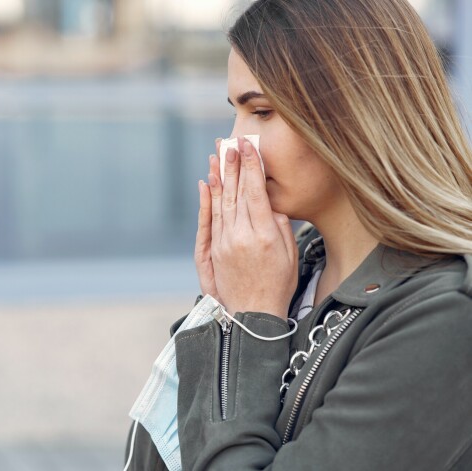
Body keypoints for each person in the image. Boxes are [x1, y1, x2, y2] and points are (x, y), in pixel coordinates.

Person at [123, 0, 472, 469]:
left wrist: (249, 322)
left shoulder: (446, 316)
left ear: (355, 114)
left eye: (262, 112)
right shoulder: (284, 272)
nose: (233, 146)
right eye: (236, 113)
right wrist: (221, 312)